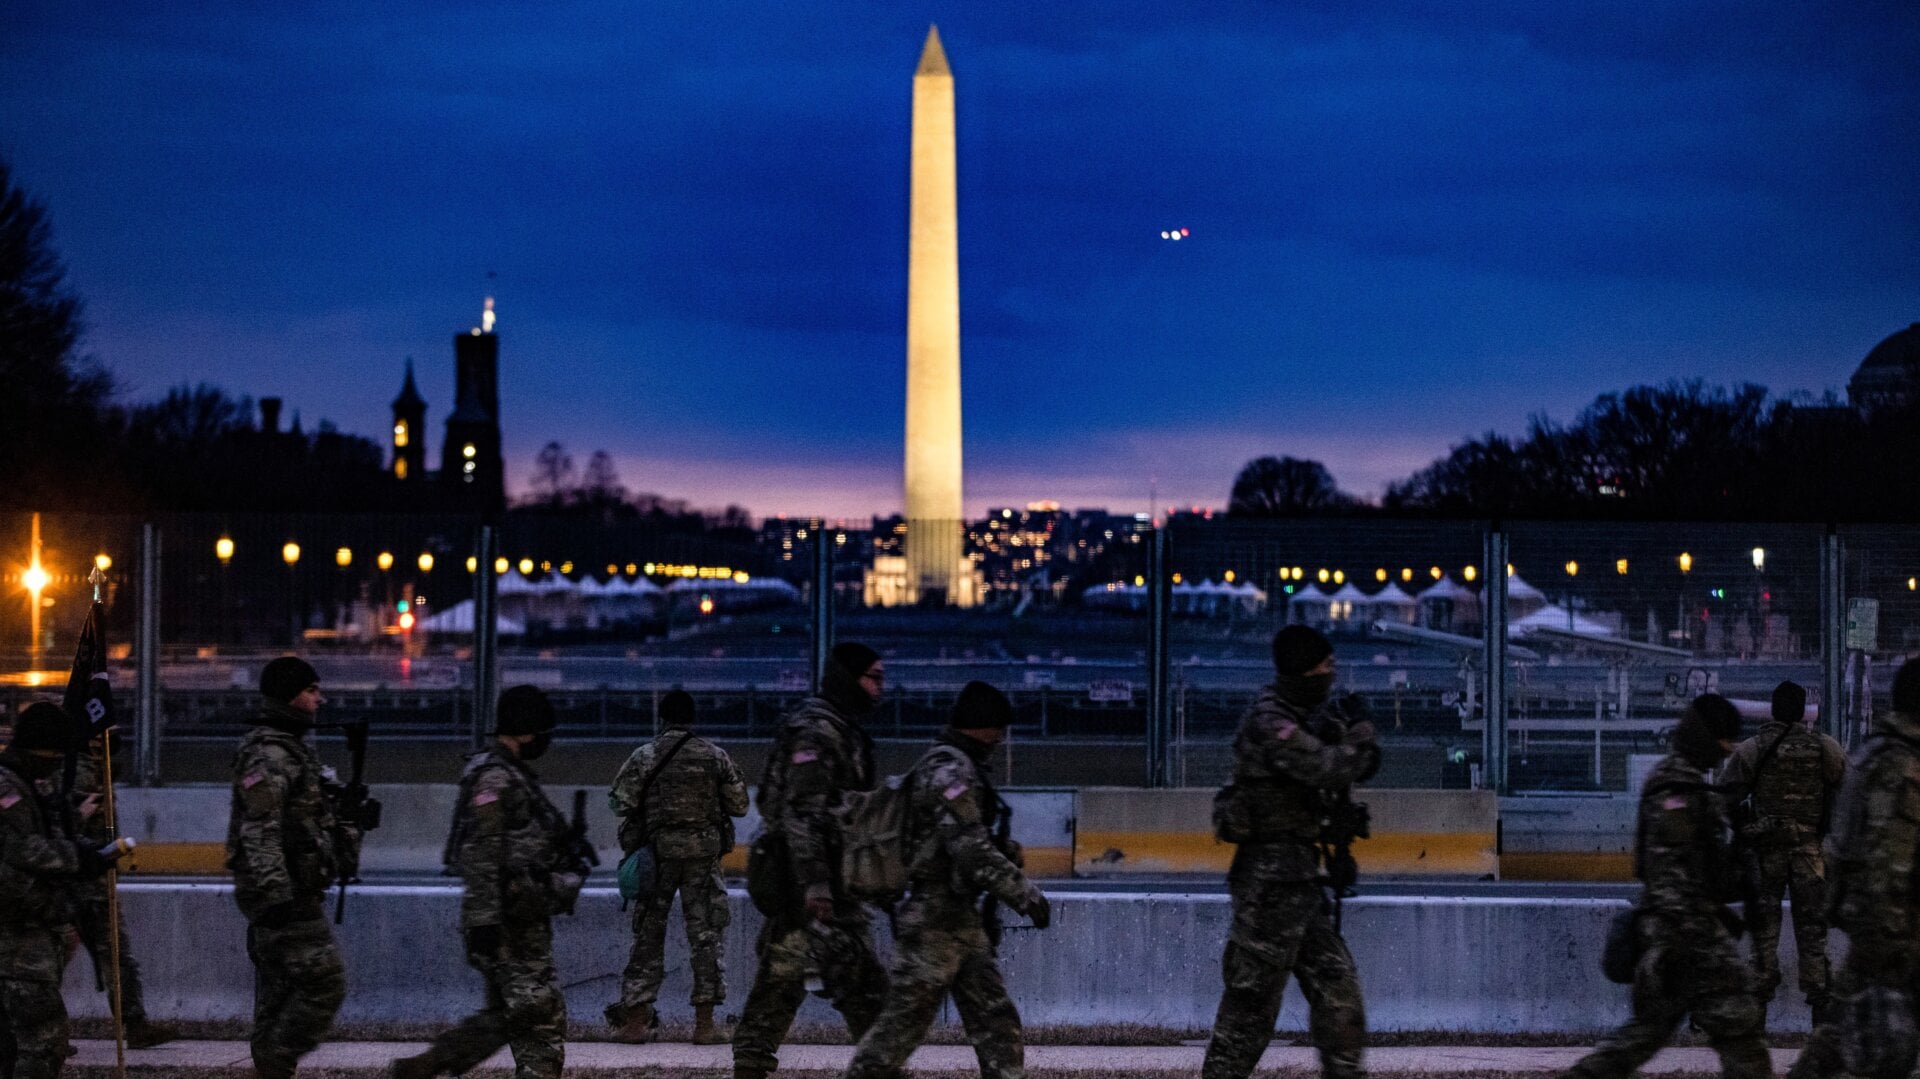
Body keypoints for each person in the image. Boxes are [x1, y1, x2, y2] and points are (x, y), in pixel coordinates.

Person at [844, 681, 1051, 1079]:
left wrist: (1005, 852)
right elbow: (969, 848)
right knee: (899, 1029)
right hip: (933, 923)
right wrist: (1023, 893)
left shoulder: (962, 766)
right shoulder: (948, 770)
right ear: (986, 726)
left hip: (960, 920)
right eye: (1000, 730)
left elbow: (967, 840)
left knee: (996, 1023)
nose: (1002, 740)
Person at [1201, 626, 1379, 1079]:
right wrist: (1359, 737)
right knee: (1251, 1008)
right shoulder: (1270, 721)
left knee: (1339, 993)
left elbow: (1340, 769)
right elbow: (1325, 766)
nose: (1331, 675)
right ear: (1303, 671)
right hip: (1269, 887)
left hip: (1301, 880)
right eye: (1324, 667)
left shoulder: (1303, 716)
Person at [1565, 694, 1768, 1079]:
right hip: (1689, 938)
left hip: (1667, 934)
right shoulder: (1682, 792)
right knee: (1743, 1038)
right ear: (1706, 739)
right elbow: (1685, 878)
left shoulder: (1669, 781)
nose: (1726, 752)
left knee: (1643, 1035)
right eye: (1724, 742)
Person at [393, 686, 585, 1079]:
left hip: (519, 914)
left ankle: (429, 1064)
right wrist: (485, 920)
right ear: (527, 730)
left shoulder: (509, 773)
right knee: (539, 1018)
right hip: (506, 921)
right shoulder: (494, 778)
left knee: (512, 1014)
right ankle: (433, 1063)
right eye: (543, 731)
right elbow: (482, 853)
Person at [733, 643, 891, 1079]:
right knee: (864, 996)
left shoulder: (837, 726)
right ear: (848, 678)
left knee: (781, 988)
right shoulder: (819, 730)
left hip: (819, 884)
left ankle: (749, 1066)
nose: (880, 688)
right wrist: (817, 885)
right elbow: (803, 813)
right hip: (810, 885)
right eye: (873, 677)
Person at [227, 657, 361, 1079]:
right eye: (311, 691)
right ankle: (274, 1065)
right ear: (289, 696)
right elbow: (260, 831)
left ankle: (271, 1067)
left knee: (279, 995)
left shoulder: (293, 749)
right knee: (326, 983)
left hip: (293, 890)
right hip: (284, 897)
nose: (320, 699)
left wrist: (348, 819)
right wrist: (276, 895)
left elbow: (302, 822)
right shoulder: (270, 755)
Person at [1786, 658, 1920, 1079]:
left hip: (1873, 921)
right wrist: (1897, 933)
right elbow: (1889, 857)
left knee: (1843, 1032)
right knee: (1867, 1038)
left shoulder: (1873, 751)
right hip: (1895, 928)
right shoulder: (1902, 765)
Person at [605, 689, 749, 1044]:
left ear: (662, 718)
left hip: (657, 856)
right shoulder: (715, 756)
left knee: (648, 938)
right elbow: (740, 805)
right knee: (706, 938)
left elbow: (619, 803)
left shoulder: (645, 755)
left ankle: (636, 1022)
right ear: (693, 719)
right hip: (703, 857)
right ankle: (704, 1025)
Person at [1717, 679, 1846, 1023]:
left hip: (1765, 855)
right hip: (1810, 854)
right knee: (1813, 936)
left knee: (1764, 938)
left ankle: (1756, 1021)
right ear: (1804, 711)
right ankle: (1820, 1019)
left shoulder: (1753, 748)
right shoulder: (1824, 747)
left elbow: (1724, 797)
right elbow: (1847, 792)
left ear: (1773, 709)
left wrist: (1745, 829)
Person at [1, 703, 118, 1079]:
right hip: (15, 935)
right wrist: (79, 857)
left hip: (30, 931)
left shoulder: (30, 784)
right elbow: (21, 848)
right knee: (42, 1042)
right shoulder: (8, 787)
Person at [59, 731, 179, 1049]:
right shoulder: (78, 769)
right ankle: (133, 1024)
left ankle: (132, 1023)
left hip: (85, 876)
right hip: (81, 877)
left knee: (106, 955)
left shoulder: (91, 768)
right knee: (107, 955)